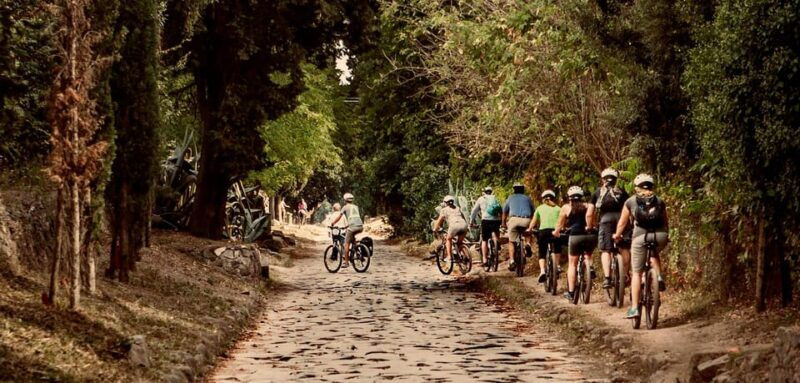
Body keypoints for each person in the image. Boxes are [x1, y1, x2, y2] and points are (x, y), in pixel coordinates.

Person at [613, 174, 669, 319]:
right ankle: (658, 278)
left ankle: (634, 308)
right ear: (652, 186)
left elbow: (622, 223)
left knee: (636, 273)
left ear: (636, 187)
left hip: (640, 237)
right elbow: (665, 222)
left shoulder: (631, 201)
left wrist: (617, 235)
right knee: (654, 254)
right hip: (660, 236)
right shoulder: (660, 201)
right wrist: (664, 236)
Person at [586, 168, 631, 290]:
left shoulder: (597, 193)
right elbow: (630, 209)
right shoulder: (622, 192)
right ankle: (625, 275)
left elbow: (590, 213)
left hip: (605, 221)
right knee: (625, 247)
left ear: (602, 179)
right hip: (622, 220)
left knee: (606, 250)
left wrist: (590, 226)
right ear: (616, 180)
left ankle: (607, 278)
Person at [555, 186, 596, 301]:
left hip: (575, 236)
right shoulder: (589, 206)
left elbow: (559, 224)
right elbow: (592, 221)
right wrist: (590, 227)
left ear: (569, 198)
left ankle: (571, 292)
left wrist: (556, 232)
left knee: (572, 264)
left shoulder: (566, 208)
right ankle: (590, 266)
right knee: (588, 253)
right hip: (590, 236)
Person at [528, 190, 563, 283]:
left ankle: (542, 271)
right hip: (555, 231)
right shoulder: (559, 208)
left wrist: (530, 229)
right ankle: (558, 266)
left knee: (542, 251)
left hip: (543, 232)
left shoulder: (539, 208)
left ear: (543, 199)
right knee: (558, 248)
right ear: (553, 199)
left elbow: (534, 221)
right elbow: (563, 221)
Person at [502, 183, 535, 272]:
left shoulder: (510, 198)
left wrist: (503, 224)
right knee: (528, 232)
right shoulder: (528, 198)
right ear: (523, 190)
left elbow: (504, 212)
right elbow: (533, 212)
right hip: (526, 220)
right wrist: (532, 222)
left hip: (514, 220)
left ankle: (512, 260)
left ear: (514, 190)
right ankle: (527, 244)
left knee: (511, 241)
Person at [470, 186, 502, 266]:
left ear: (484, 192)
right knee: (496, 231)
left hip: (486, 220)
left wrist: (471, 222)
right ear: (491, 192)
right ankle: (497, 241)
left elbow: (474, 211)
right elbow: (500, 209)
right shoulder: (495, 198)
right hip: (496, 220)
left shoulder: (481, 199)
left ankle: (484, 259)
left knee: (484, 240)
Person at [432, 195, 469, 265]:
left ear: (445, 203)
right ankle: (462, 256)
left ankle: (449, 257)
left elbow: (439, 221)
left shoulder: (444, 210)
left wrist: (435, 229)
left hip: (454, 226)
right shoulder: (458, 208)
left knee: (448, 239)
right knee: (459, 243)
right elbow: (463, 218)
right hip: (464, 225)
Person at [330, 193, 363, 268]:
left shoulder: (345, 207)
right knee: (352, 239)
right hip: (360, 226)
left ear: (345, 200)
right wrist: (346, 226)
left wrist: (333, 223)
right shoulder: (356, 207)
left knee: (346, 244)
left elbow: (339, 217)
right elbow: (354, 218)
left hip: (352, 227)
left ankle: (346, 262)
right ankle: (358, 253)